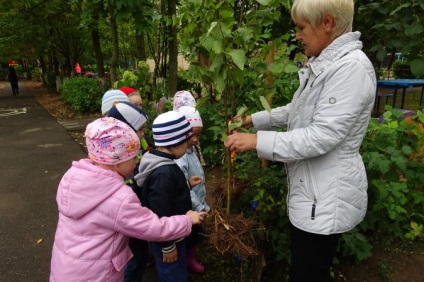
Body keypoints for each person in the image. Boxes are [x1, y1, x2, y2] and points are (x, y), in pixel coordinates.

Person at [224, 0, 376, 281]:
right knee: (307, 268)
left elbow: (321, 136)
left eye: (301, 27)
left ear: (326, 23)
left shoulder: (350, 70)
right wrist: (253, 120)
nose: (297, 35)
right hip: (314, 192)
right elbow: (298, 111)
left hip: (325, 198)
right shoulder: (326, 65)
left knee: (309, 272)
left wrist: (257, 141)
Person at [50, 117, 207, 282]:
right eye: (133, 158)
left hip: (66, 270)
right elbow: (153, 227)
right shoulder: (119, 199)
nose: (137, 161)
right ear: (116, 162)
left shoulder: (75, 181)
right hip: (98, 276)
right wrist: (187, 221)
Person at [135, 111, 204, 282]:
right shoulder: (164, 172)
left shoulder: (159, 163)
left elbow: (165, 195)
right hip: (169, 238)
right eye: (186, 142)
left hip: (173, 232)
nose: (189, 146)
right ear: (174, 143)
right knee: (172, 274)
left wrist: (186, 184)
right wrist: (168, 246)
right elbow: (161, 211)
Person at [108, 101, 150, 282]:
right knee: (133, 256)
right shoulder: (116, 156)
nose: (143, 134)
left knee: (137, 253)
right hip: (127, 212)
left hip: (135, 205)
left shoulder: (134, 145)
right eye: (139, 129)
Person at [173, 90, 210, 272]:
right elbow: (182, 188)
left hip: (197, 199)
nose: (195, 139)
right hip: (188, 206)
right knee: (189, 235)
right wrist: (198, 206)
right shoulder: (179, 157)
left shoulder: (191, 148)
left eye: (198, 135)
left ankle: (190, 256)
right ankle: (186, 260)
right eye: (192, 135)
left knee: (195, 235)